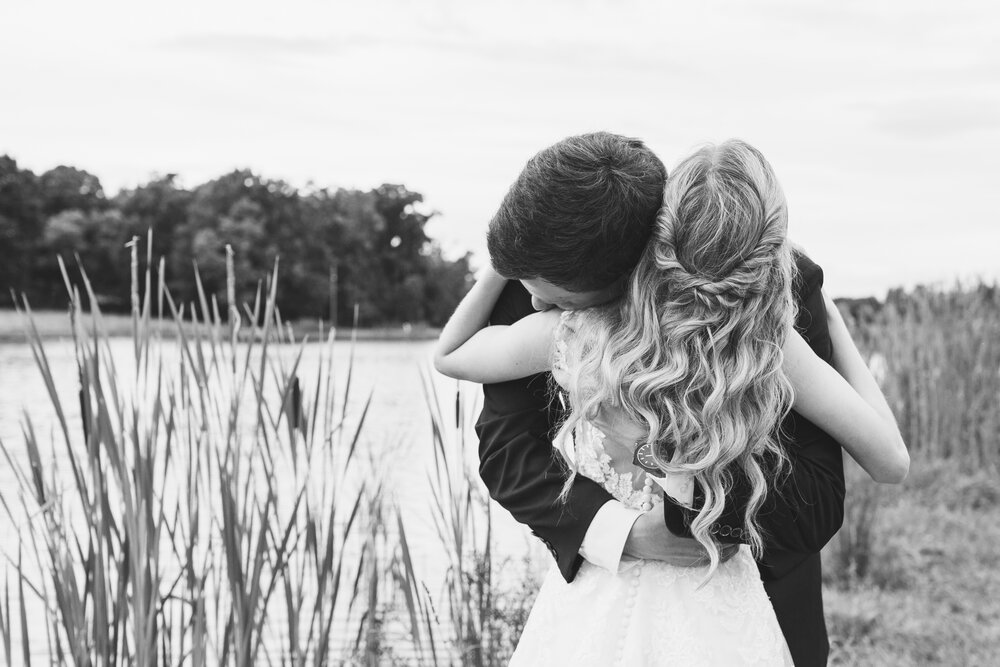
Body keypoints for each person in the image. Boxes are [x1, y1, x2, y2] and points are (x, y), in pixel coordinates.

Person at [434, 135, 908, 665]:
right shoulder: (770, 342)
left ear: (635, 261)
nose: (537, 301)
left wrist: (700, 516)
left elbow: (816, 499)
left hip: (746, 603)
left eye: (557, 295)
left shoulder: (578, 332)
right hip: (621, 594)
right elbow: (507, 450)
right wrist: (625, 533)